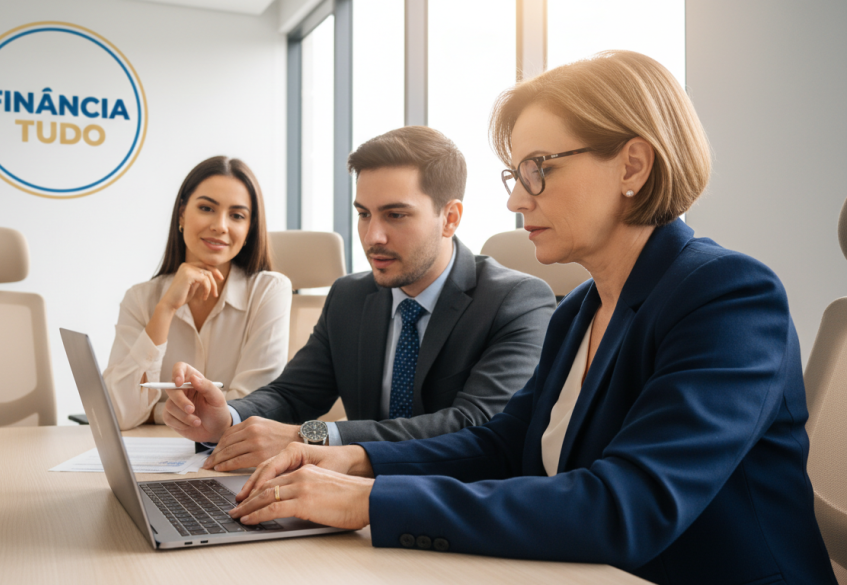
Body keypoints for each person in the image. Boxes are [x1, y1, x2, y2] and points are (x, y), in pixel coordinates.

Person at [224, 51, 838, 584]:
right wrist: (354, 460)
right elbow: (500, 444)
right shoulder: (579, 310)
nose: (517, 198)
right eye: (516, 175)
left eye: (539, 169)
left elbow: (630, 505)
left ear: (632, 166)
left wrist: (371, 500)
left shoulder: (727, 295)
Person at [162, 126, 557, 471]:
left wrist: (311, 436)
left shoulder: (516, 301)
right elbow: (292, 393)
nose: (372, 237)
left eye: (395, 215)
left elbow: (472, 424)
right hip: (349, 504)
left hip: (456, 504)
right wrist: (227, 417)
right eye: (364, 214)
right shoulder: (350, 296)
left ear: (450, 218)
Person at [103, 156, 291, 431]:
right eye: (206, 208)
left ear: (249, 228)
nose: (220, 226)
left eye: (237, 215)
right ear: (182, 214)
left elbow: (252, 409)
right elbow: (118, 413)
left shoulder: (269, 291)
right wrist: (166, 308)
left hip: (232, 455)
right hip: (151, 453)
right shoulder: (140, 299)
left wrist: (156, 412)